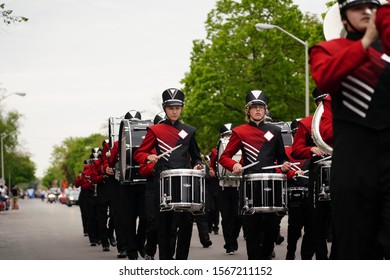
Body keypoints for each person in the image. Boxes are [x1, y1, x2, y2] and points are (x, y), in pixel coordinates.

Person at [310, 0, 390, 259]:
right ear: (344, 17)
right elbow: (326, 78)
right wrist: (365, 43)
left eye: (372, 7)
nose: (367, 13)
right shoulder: (326, 50)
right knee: (352, 248)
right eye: (358, 8)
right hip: (354, 166)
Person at [219, 90, 292, 260]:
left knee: (272, 228)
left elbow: (282, 158)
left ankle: (266, 259)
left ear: (265, 110)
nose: (258, 110)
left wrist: (285, 166)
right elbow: (224, 157)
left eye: (261, 107)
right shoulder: (240, 132)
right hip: (250, 186)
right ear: (248, 111)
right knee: (252, 229)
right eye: (254, 107)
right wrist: (235, 164)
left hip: (271, 186)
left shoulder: (274, 131)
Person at [133, 88, 203, 260]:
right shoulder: (155, 130)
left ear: (182, 108)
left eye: (177, 107)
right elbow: (138, 154)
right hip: (161, 183)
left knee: (185, 226)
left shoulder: (189, 131)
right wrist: (148, 156)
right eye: (171, 108)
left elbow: (196, 157)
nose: (174, 111)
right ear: (165, 109)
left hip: (184, 184)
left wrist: (198, 165)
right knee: (163, 227)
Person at [211, 123, 242, 255]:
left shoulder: (242, 146)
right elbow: (213, 165)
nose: (228, 137)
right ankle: (229, 244)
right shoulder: (215, 150)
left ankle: (233, 238)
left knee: (238, 216)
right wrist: (212, 171)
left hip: (238, 185)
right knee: (226, 216)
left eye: (230, 134)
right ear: (221, 136)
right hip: (223, 186)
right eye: (226, 135)